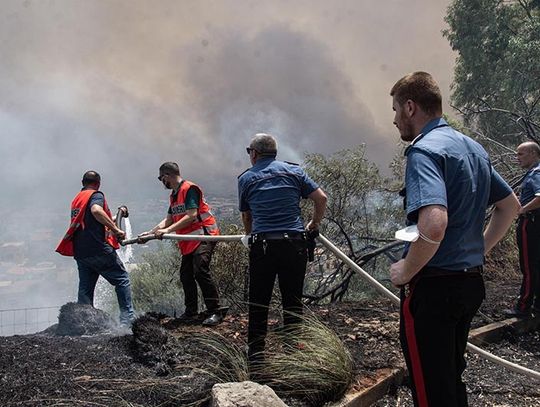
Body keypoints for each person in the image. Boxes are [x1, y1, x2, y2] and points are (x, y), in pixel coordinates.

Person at [389, 72, 519, 407]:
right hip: (469, 284)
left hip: (434, 290)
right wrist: (479, 251)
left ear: (410, 106)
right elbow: (509, 207)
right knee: (449, 378)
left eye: (394, 110)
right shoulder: (471, 147)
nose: (393, 120)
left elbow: (433, 225)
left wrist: (405, 270)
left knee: (431, 390)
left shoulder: (424, 151)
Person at [238, 133, 327, 365]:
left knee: (259, 301)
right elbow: (321, 198)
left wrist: (248, 236)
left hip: (263, 246)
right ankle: (294, 354)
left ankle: (256, 357)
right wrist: (313, 224)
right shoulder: (294, 172)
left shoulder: (246, 178)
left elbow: (247, 215)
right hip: (294, 245)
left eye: (249, 152)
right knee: (293, 300)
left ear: (254, 154)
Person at [140, 162, 223, 326]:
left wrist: (168, 230)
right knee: (186, 276)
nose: (161, 182)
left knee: (200, 270)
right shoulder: (174, 195)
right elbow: (169, 219)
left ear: (167, 176)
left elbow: (192, 215)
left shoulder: (189, 189)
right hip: (189, 240)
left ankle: (216, 311)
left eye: (160, 178)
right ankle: (191, 312)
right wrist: (150, 232)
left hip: (204, 235)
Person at [56, 170, 135, 325]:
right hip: (98, 249)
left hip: (81, 252)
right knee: (122, 280)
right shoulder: (96, 195)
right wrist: (117, 230)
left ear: (82, 183)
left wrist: (116, 217)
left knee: (85, 289)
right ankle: (127, 321)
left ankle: (83, 323)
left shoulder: (77, 199)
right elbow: (96, 211)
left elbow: (91, 221)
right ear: (97, 184)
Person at [505, 141, 540, 317]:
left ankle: (523, 306)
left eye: (521, 154)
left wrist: (522, 209)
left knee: (528, 265)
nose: (517, 158)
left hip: (531, 223)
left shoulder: (536, 173)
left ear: (533, 154)